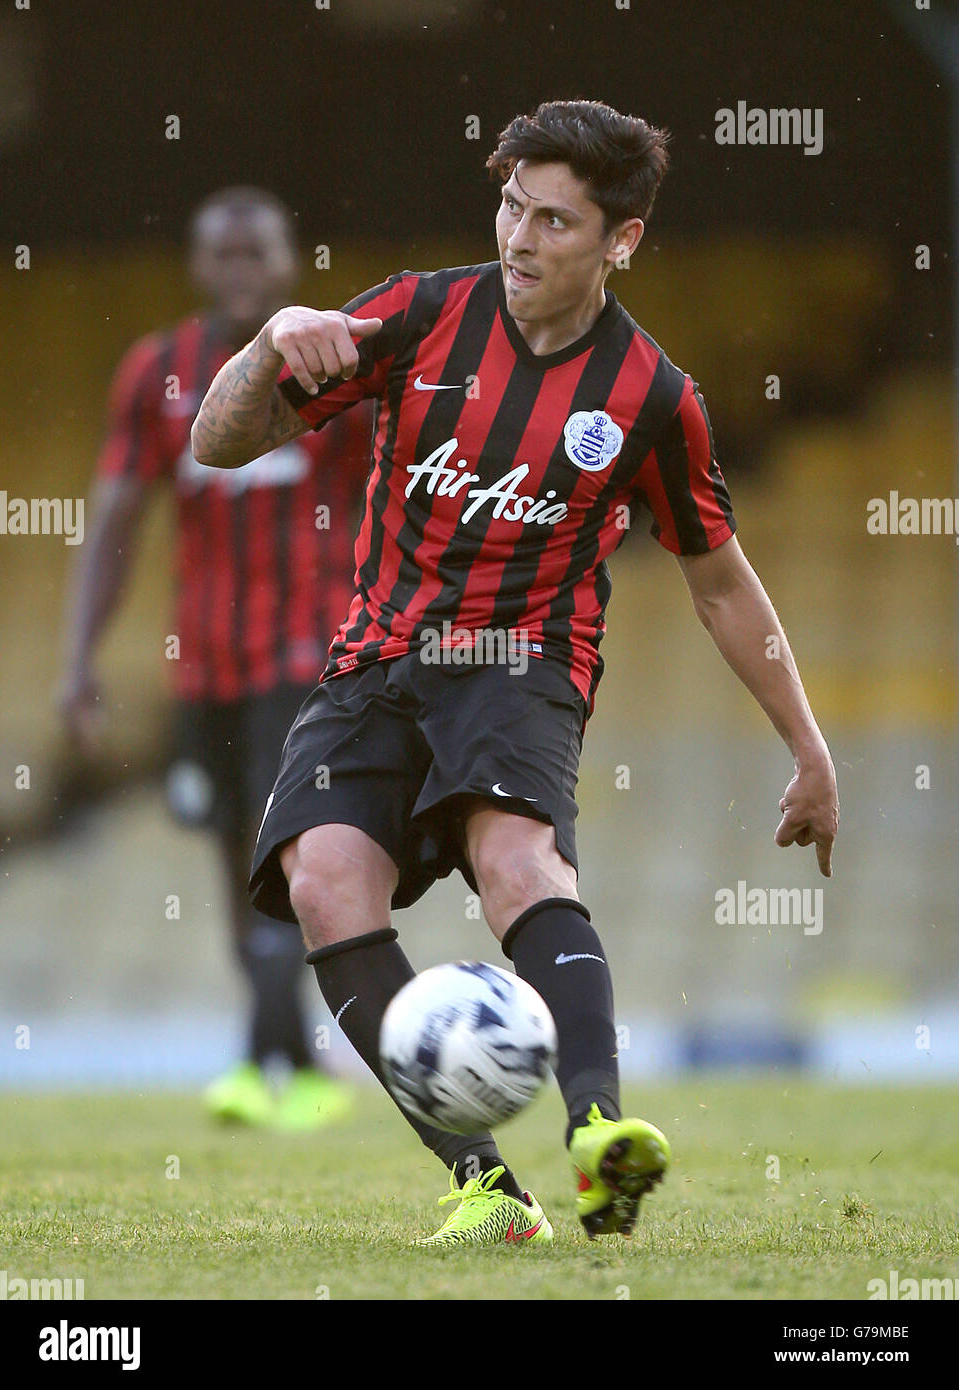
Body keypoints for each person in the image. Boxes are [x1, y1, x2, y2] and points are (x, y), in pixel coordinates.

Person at [189, 102, 839, 1244]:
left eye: (553, 218)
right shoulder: (417, 313)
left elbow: (721, 582)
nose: (519, 238)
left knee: (513, 856)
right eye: (508, 206)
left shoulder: (649, 397)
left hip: (519, 660)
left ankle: (600, 1137)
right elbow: (217, 440)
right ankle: (487, 1190)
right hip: (377, 656)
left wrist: (807, 743)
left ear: (619, 240)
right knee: (323, 884)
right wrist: (270, 339)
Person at [59, 187, 371, 1131]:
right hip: (202, 669)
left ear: (292, 263)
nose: (242, 272)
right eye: (223, 258)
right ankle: (294, 1069)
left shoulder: (335, 366)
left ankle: (261, 1064)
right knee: (238, 865)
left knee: (284, 859)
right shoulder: (158, 371)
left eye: (259, 256)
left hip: (305, 658)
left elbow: (398, 490)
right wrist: (78, 659)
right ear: (200, 267)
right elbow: (116, 514)